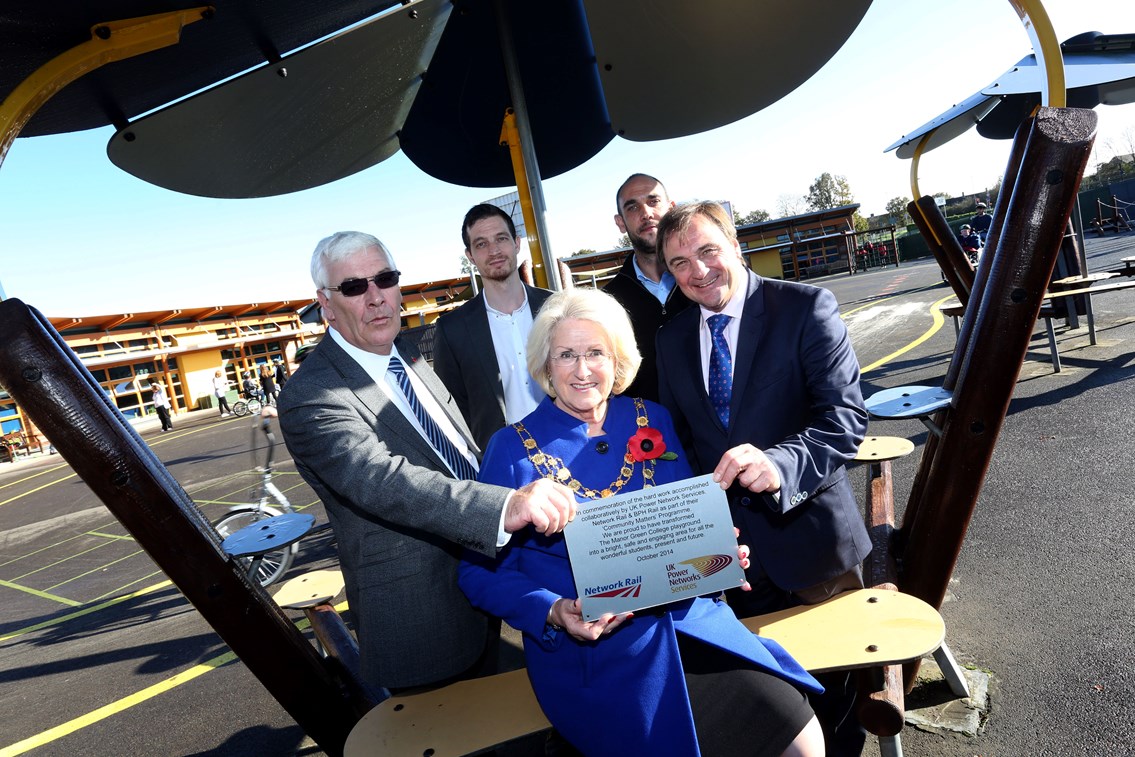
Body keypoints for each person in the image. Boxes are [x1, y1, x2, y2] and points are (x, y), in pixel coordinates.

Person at [459, 288, 824, 756]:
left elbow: (679, 525)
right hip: (596, 657)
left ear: (618, 360)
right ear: (545, 365)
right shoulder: (509, 448)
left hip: (691, 623)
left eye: (596, 352)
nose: (583, 369)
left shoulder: (652, 417)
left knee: (804, 742)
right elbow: (476, 571)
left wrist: (715, 553)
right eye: (566, 355)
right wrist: (552, 609)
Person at [277, 230, 577, 693]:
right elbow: (382, 480)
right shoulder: (311, 394)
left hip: (481, 584)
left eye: (385, 279)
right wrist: (504, 507)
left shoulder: (411, 357)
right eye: (355, 287)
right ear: (326, 303)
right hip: (421, 616)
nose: (376, 298)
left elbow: (460, 453)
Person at [654, 201, 871, 754]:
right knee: (773, 710)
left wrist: (778, 465)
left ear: (735, 245)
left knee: (842, 706)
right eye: (679, 263)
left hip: (814, 548)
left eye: (707, 252)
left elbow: (844, 419)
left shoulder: (804, 307)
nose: (697, 271)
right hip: (733, 565)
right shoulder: (671, 339)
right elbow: (678, 449)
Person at [432, 204, 552, 450]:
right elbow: (453, 409)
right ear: (470, 256)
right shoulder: (452, 330)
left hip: (569, 447)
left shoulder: (557, 307)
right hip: (502, 464)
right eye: (481, 244)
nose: (494, 250)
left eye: (501, 238)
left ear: (517, 243)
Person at [603, 173, 693, 402]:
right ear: (620, 222)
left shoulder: (705, 282)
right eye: (632, 207)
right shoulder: (606, 305)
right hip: (645, 434)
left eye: (653, 201)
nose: (646, 213)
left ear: (672, 209)